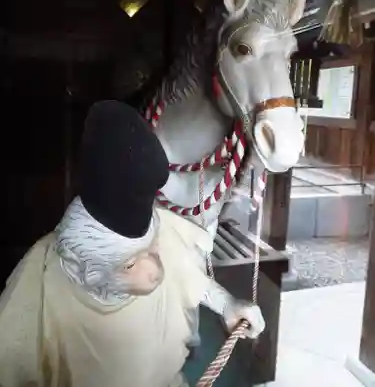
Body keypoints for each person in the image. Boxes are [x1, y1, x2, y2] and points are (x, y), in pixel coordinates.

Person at [0, 101, 265, 387]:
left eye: (151, 250)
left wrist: (227, 304)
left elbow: (188, 276)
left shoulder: (161, 232)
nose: (156, 269)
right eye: (129, 263)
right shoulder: (41, 277)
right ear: (85, 268)